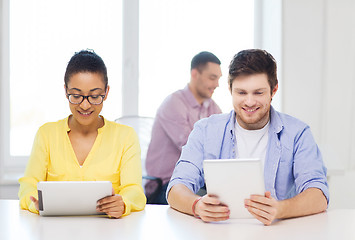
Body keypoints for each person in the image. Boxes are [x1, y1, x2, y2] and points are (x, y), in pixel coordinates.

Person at [167, 49, 329, 225]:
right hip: (220, 233)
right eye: (241, 93)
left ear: (273, 90)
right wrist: (196, 205)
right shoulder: (205, 130)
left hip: (277, 233)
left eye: (258, 93)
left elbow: (319, 195)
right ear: (230, 89)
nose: (250, 102)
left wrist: (280, 209)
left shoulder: (298, 133)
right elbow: (176, 188)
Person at [18, 50, 146, 218]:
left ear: (106, 92)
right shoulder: (46, 134)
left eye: (94, 96)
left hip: (110, 231)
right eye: (76, 96)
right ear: (66, 91)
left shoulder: (125, 136)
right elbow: (28, 184)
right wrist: (34, 201)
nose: (85, 106)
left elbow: (134, 190)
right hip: (54, 230)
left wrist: (124, 203)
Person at [145, 51, 223, 204]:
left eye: (218, 79)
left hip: (199, 181)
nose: (216, 84)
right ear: (195, 74)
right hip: (166, 186)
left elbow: (224, 140)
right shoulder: (174, 104)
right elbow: (194, 150)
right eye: (212, 78)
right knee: (214, 203)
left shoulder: (212, 107)